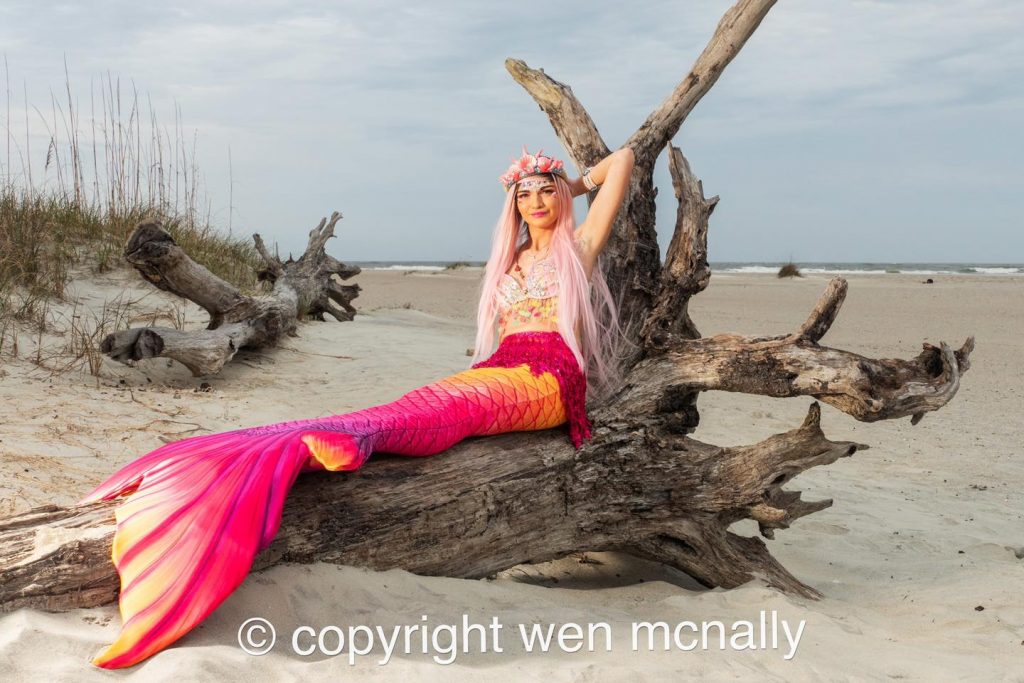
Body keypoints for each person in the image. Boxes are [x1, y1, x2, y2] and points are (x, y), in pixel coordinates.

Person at [80, 145, 636, 668]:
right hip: (502, 367)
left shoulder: (578, 245)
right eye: (525, 193)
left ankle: (352, 443)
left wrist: (572, 182)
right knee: (419, 402)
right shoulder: (511, 261)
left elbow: (624, 160)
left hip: (548, 378)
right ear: (512, 204)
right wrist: (551, 183)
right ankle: (319, 439)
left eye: (545, 191)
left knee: (452, 411)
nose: (535, 202)